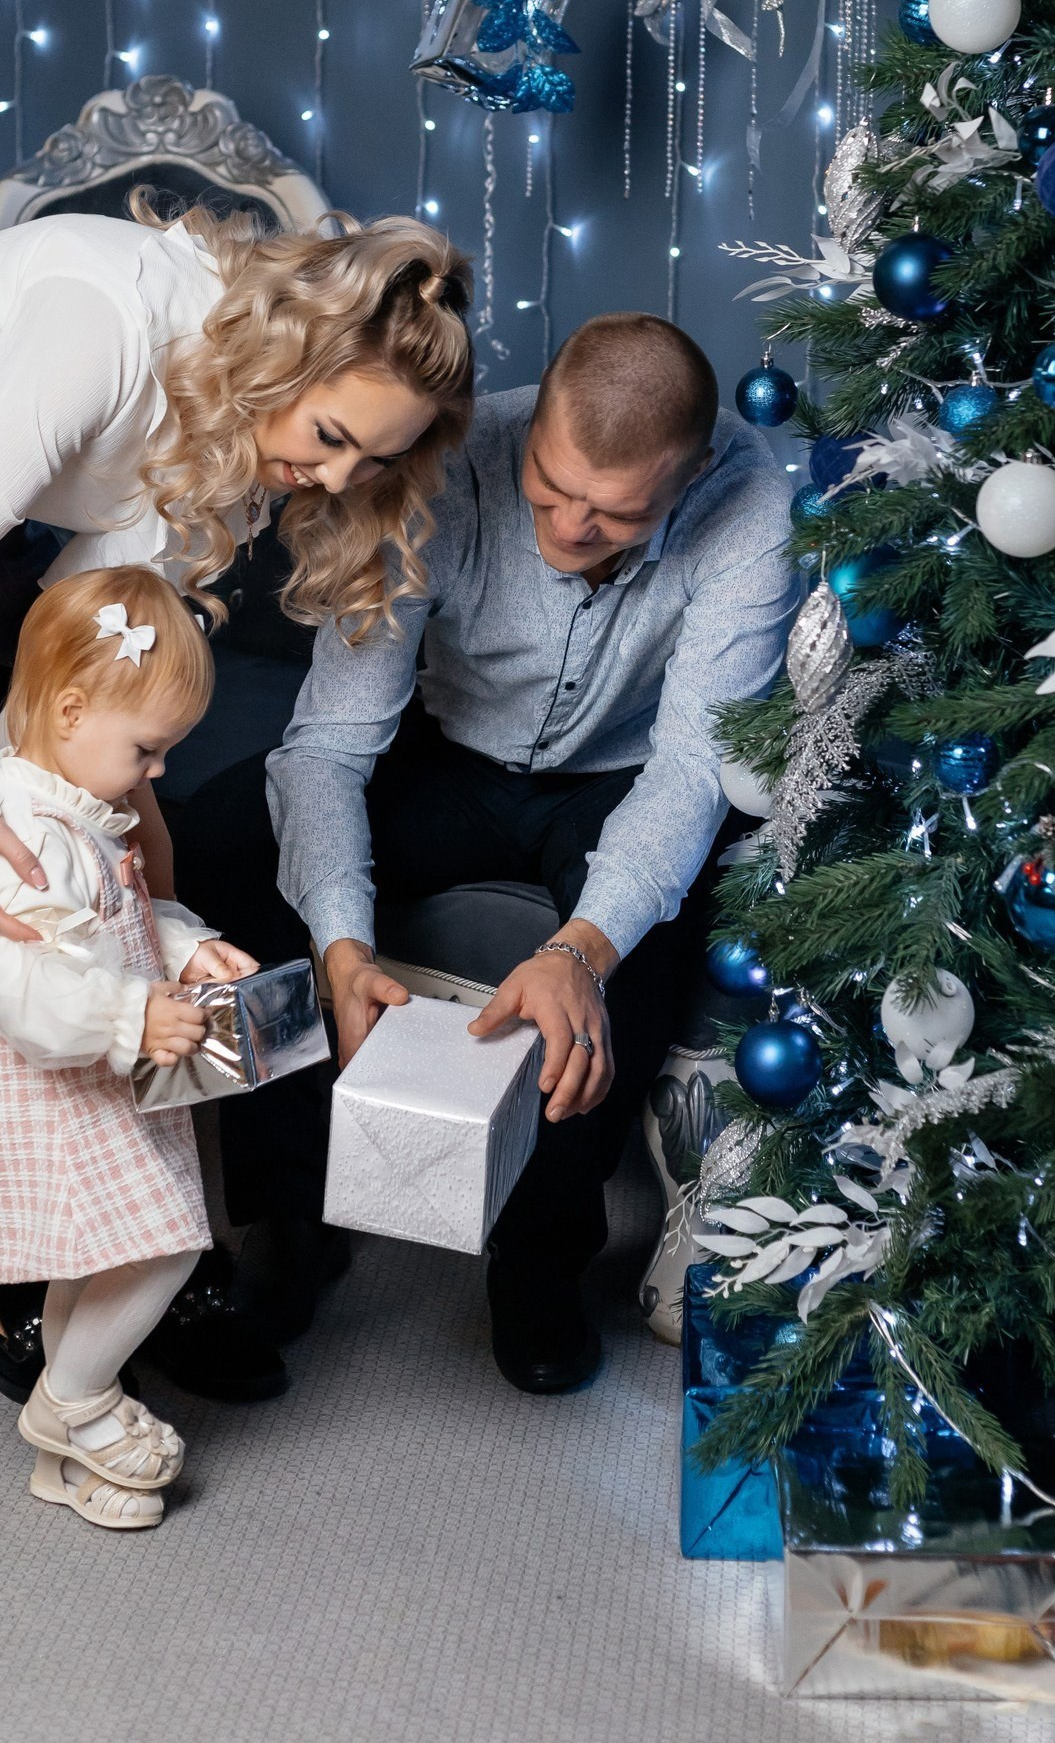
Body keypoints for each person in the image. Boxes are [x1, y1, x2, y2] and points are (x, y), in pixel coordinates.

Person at [0, 199, 472, 1397]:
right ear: (287, 355)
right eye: (328, 437)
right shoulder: (99, 329)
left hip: (12, 551)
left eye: (369, 461)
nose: (333, 478)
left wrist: (72, 809)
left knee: (131, 858)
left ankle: (148, 1246)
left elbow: (101, 593)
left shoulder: (252, 417)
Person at [246, 311, 799, 1393]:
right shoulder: (443, 464)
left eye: (618, 511)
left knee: (636, 959)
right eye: (552, 489)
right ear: (532, 420)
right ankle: (286, 1212)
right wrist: (342, 944)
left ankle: (540, 1257)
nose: (574, 525)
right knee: (243, 858)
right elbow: (327, 745)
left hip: (619, 777)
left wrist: (582, 950)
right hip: (441, 749)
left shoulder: (752, 504)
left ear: (684, 479)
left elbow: (694, 767)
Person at [0, 563, 257, 1534]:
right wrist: (133, 1019)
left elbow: (129, 921)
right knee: (164, 1246)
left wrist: (187, 942)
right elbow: (26, 989)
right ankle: (74, 1401)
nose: (158, 773)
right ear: (73, 709)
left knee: (94, 1256)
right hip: (56, 1091)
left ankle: (60, 1453)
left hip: (95, 1084)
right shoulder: (26, 837)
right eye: (148, 750)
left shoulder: (86, 812)